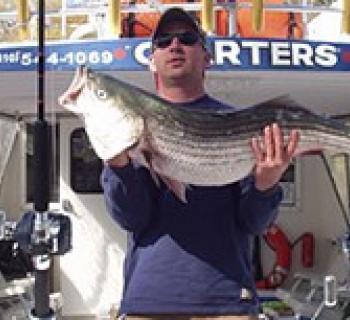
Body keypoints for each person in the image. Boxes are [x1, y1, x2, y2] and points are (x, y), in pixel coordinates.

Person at [100, 7, 299, 320]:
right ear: (151, 61)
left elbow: (254, 224)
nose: (174, 45)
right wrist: (119, 167)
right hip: (150, 300)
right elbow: (133, 218)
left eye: (187, 38)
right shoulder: (130, 127)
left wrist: (266, 184)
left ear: (207, 58)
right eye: (163, 41)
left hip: (227, 299)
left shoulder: (237, 123)